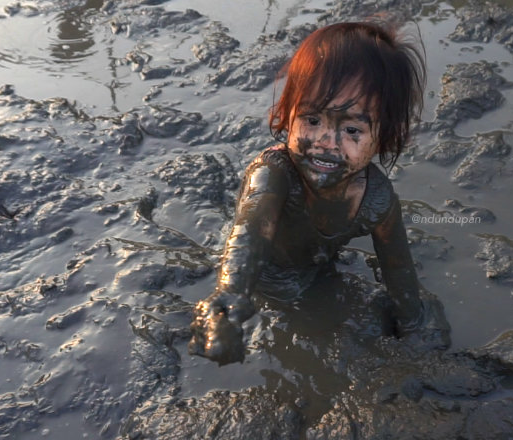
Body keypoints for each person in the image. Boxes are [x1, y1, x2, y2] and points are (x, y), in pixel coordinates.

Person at [188, 21, 450, 365]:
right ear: (286, 115)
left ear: (384, 138)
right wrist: (229, 298)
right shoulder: (274, 174)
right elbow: (251, 230)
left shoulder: (377, 200)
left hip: (318, 271)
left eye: (352, 129)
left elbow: (398, 268)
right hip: (266, 282)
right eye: (312, 120)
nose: (327, 142)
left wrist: (413, 323)